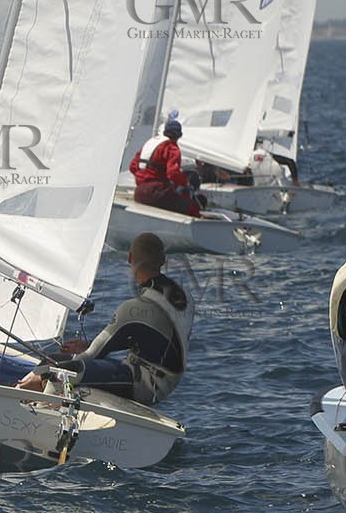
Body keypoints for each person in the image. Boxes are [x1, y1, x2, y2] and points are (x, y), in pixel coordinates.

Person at [15, 232, 193, 404]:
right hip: (166, 383)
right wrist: (90, 343)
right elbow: (159, 339)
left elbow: (91, 356)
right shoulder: (184, 297)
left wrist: (42, 376)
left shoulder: (134, 308)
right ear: (163, 260)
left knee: (63, 369)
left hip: (145, 385)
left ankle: (29, 405)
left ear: (130, 258)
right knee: (56, 360)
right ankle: (21, 392)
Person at [129, 118, 204, 217]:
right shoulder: (172, 148)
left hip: (139, 192)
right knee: (191, 207)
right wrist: (185, 183)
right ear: (179, 135)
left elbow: (133, 167)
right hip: (157, 193)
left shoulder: (150, 144)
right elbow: (173, 173)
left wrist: (145, 178)